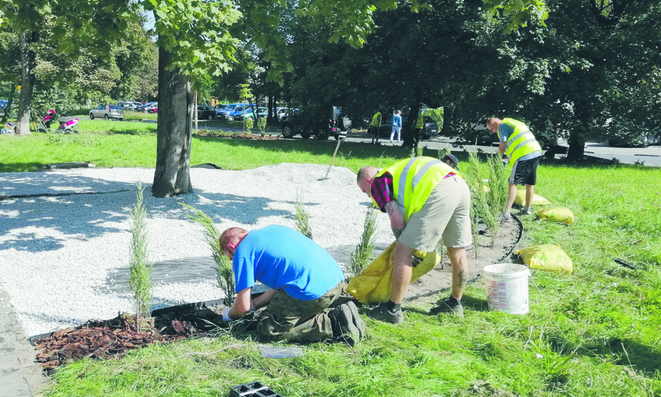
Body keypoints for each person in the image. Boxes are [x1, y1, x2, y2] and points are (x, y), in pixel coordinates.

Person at [356, 157, 472, 320]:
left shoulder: (378, 181)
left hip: (438, 190)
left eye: (364, 191)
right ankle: (455, 304)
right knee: (458, 251)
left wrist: (403, 243)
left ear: (369, 180)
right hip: (459, 184)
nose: (368, 196)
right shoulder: (397, 171)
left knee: (402, 252)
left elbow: (397, 221)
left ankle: (392, 310)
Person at [219, 224, 366, 345]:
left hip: (314, 293)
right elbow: (280, 285)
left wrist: (229, 315)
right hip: (337, 282)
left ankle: (333, 323)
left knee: (268, 329)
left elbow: (242, 307)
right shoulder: (274, 229)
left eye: (230, 257)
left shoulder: (242, 253)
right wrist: (255, 305)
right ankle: (335, 306)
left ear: (231, 247)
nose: (233, 260)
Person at [486, 117, 543, 220]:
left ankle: (506, 213)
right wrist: (507, 159)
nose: (493, 132)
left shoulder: (502, 125)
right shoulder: (514, 122)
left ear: (495, 123)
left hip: (524, 155)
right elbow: (517, 142)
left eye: (492, 129)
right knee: (530, 183)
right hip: (535, 152)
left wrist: (498, 160)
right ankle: (527, 209)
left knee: (512, 182)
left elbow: (502, 145)